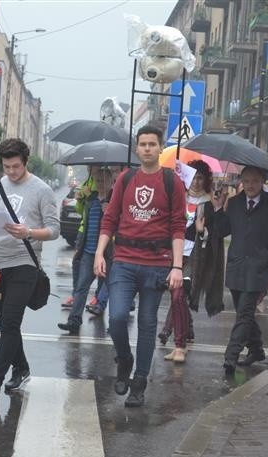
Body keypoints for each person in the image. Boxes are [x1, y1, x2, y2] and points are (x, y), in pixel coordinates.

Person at [94, 124, 186, 408]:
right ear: (137, 148)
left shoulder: (173, 182)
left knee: (147, 325)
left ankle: (140, 382)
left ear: (160, 148)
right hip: (123, 261)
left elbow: (178, 227)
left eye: (152, 144)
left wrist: (177, 267)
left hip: (157, 265)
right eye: (143, 144)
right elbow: (110, 218)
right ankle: (125, 359)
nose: (147, 148)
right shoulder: (125, 179)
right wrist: (99, 253)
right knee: (117, 318)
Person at [0, 138, 59, 403]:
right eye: (6, 166)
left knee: (11, 322)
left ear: (25, 162)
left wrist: (30, 232)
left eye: (15, 166)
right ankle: (21, 368)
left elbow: (54, 230)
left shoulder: (42, 190)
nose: (11, 172)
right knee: (6, 325)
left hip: (25, 262)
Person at [200, 167, 268, 377]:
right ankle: (257, 349)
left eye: (254, 181)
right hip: (237, 267)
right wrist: (219, 209)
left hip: (259, 269)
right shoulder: (236, 202)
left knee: (245, 312)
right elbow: (221, 231)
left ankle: (231, 356)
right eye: (246, 181)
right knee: (243, 313)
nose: (250, 185)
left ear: (262, 181)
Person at [161, 159, 216, 361]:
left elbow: (215, 236)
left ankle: (180, 345)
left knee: (178, 297)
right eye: (193, 177)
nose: (196, 182)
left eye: (201, 178)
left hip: (194, 257)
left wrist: (203, 231)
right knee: (177, 299)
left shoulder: (208, 204)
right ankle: (180, 342)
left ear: (206, 180)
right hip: (174, 254)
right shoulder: (177, 199)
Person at [58, 167, 114, 334]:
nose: (100, 183)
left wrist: (109, 209)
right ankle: (74, 321)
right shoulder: (91, 199)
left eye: (103, 180)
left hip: (109, 252)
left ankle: (115, 324)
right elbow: (82, 215)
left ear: (111, 181)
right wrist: (81, 200)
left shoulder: (116, 199)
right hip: (89, 251)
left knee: (112, 287)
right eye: (98, 180)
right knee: (81, 287)